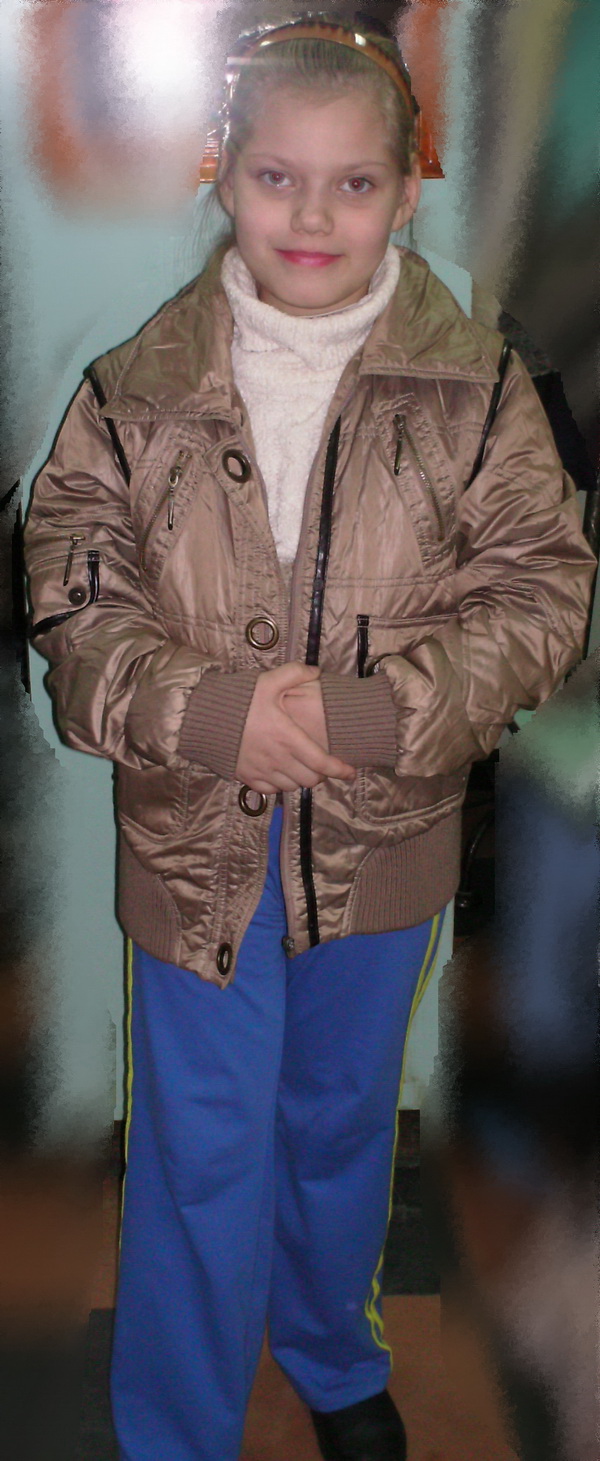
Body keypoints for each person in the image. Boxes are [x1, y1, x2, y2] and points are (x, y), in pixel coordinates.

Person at [23, 14, 596, 1461]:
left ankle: (332, 1350)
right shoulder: (133, 393)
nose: (313, 215)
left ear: (405, 192)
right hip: (192, 842)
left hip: (385, 833)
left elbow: (542, 592)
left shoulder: (476, 392)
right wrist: (215, 712)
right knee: (200, 1152)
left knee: (341, 1126)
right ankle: (177, 1429)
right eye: (278, 177)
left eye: (354, 183)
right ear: (224, 173)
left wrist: (375, 712)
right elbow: (75, 603)